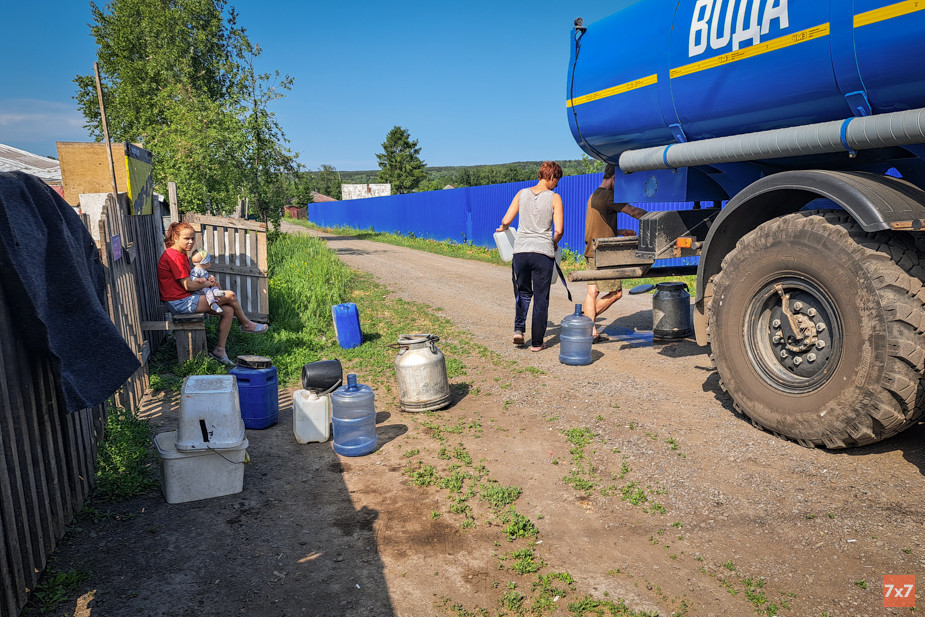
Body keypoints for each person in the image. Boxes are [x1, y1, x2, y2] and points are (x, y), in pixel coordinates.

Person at [157, 221, 268, 366]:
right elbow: (188, 285)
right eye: (186, 238)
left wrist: (206, 279)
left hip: (185, 298)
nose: (191, 242)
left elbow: (191, 278)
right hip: (179, 302)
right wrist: (208, 284)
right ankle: (246, 324)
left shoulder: (181, 252)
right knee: (230, 295)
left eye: (193, 238)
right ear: (176, 238)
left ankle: (219, 351)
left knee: (228, 311)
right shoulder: (174, 256)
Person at [496, 161, 564, 352]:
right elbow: (559, 230)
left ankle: (519, 330)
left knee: (523, 293)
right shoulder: (554, 198)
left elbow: (506, 220)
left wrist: (503, 228)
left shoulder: (522, 193)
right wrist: (554, 242)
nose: (556, 185)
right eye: (557, 180)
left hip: (521, 252)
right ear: (552, 177)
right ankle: (537, 343)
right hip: (542, 252)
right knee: (541, 298)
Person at [583, 163, 647, 342]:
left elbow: (597, 227)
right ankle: (585, 321)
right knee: (616, 293)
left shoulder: (594, 195)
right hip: (604, 253)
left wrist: (620, 231)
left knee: (592, 292)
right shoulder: (609, 196)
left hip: (590, 251)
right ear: (614, 178)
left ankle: (590, 332)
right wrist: (653, 218)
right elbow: (633, 211)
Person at [190, 249, 225, 313]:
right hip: (199, 289)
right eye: (209, 261)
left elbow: (205, 277)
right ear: (205, 263)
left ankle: (216, 292)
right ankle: (213, 304)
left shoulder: (203, 270)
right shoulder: (196, 270)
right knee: (208, 291)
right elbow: (191, 277)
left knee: (214, 286)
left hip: (205, 286)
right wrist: (198, 279)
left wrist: (210, 278)